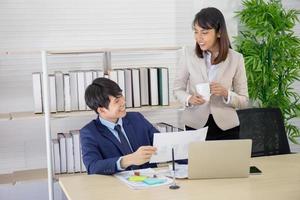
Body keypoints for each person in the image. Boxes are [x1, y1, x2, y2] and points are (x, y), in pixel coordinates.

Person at [173, 7, 249, 140]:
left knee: (227, 162)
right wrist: (189, 99)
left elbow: (244, 100)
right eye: (196, 32)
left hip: (227, 128)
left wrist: (226, 94)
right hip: (195, 126)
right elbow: (177, 89)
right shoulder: (188, 54)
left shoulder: (236, 58)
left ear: (219, 32)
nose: (199, 38)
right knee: (199, 161)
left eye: (204, 32)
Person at [80, 77, 157, 175]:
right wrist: (128, 160)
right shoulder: (89, 132)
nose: (123, 102)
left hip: (150, 182)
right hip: (116, 187)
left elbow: (162, 143)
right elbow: (92, 167)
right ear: (101, 110)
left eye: (121, 96)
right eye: (116, 101)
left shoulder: (137, 118)